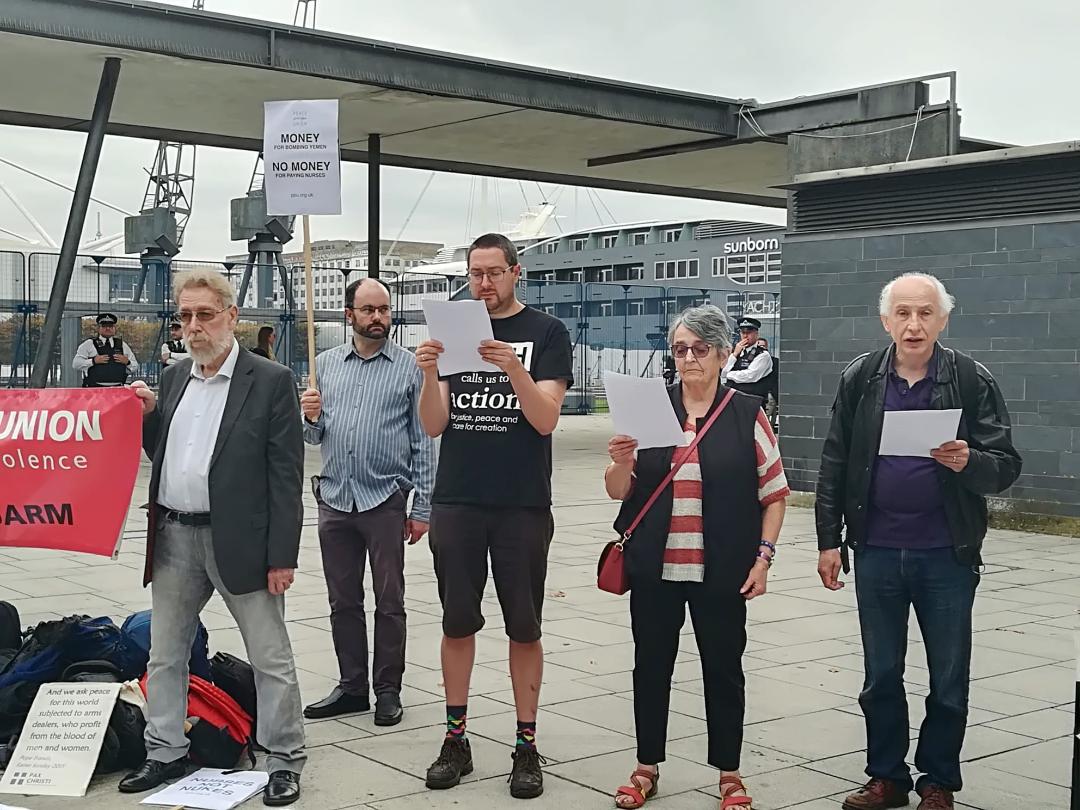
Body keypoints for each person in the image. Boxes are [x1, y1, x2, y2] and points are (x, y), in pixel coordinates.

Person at [815, 273, 1022, 810]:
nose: (914, 324)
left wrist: (969, 460)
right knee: (880, 672)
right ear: (886, 321)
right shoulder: (861, 378)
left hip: (946, 553)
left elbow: (1006, 466)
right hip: (877, 548)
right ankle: (886, 776)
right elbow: (835, 460)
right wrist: (828, 540)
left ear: (943, 319)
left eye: (925, 313)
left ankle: (937, 782)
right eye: (903, 313)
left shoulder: (971, 379)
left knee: (948, 676)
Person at [124, 269, 306, 807]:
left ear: (231, 315)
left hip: (242, 542)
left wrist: (282, 556)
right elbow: (168, 455)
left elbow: (285, 478)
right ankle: (165, 750)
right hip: (176, 535)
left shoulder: (269, 381)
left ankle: (283, 759)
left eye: (205, 314)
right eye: (185, 316)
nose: (194, 326)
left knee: (270, 656)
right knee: (165, 654)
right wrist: (150, 416)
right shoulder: (176, 377)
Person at [604, 304, 790, 810]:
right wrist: (620, 462)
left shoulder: (745, 413)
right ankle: (646, 766)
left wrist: (763, 559)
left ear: (724, 353)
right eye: (679, 349)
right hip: (654, 567)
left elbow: (774, 494)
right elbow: (620, 491)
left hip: (723, 569)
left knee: (724, 669)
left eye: (699, 349)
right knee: (650, 667)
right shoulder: (651, 407)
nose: (688, 359)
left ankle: (730, 774)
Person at [415, 232, 573, 800]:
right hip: (457, 496)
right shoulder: (454, 330)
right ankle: (455, 736)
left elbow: (546, 419)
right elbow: (434, 425)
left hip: (521, 502)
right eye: (475, 273)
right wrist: (430, 373)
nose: (483, 284)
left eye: (493, 273)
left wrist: (514, 369)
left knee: (524, 625)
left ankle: (525, 744)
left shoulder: (547, 332)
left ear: (516, 272)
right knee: (457, 621)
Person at [300, 278, 437, 727]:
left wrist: (422, 508)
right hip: (336, 499)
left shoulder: (410, 368)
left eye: (384, 309)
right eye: (368, 310)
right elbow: (312, 438)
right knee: (342, 600)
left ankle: (388, 689)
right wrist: (310, 417)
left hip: (384, 499)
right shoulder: (324, 367)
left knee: (389, 600)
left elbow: (424, 442)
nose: (378, 317)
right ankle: (352, 686)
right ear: (349, 315)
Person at [73, 313, 139, 387]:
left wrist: (128, 362)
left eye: (110, 326)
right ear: (98, 328)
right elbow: (76, 364)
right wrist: (93, 361)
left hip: (117, 389)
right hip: (94, 389)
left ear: (114, 328)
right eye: (104, 326)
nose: (108, 328)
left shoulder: (122, 345)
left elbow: (135, 366)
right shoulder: (89, 344)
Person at [720, 317, 772, 402]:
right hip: (733, 399)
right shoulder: (737, 352)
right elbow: (723, 372)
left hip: (753, 400)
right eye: (742, 332)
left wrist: (728, 375)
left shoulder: (763, 354)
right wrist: (734, 354)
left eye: (749, 332)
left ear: (756, 334)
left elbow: (750, 376)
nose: (745, 336)